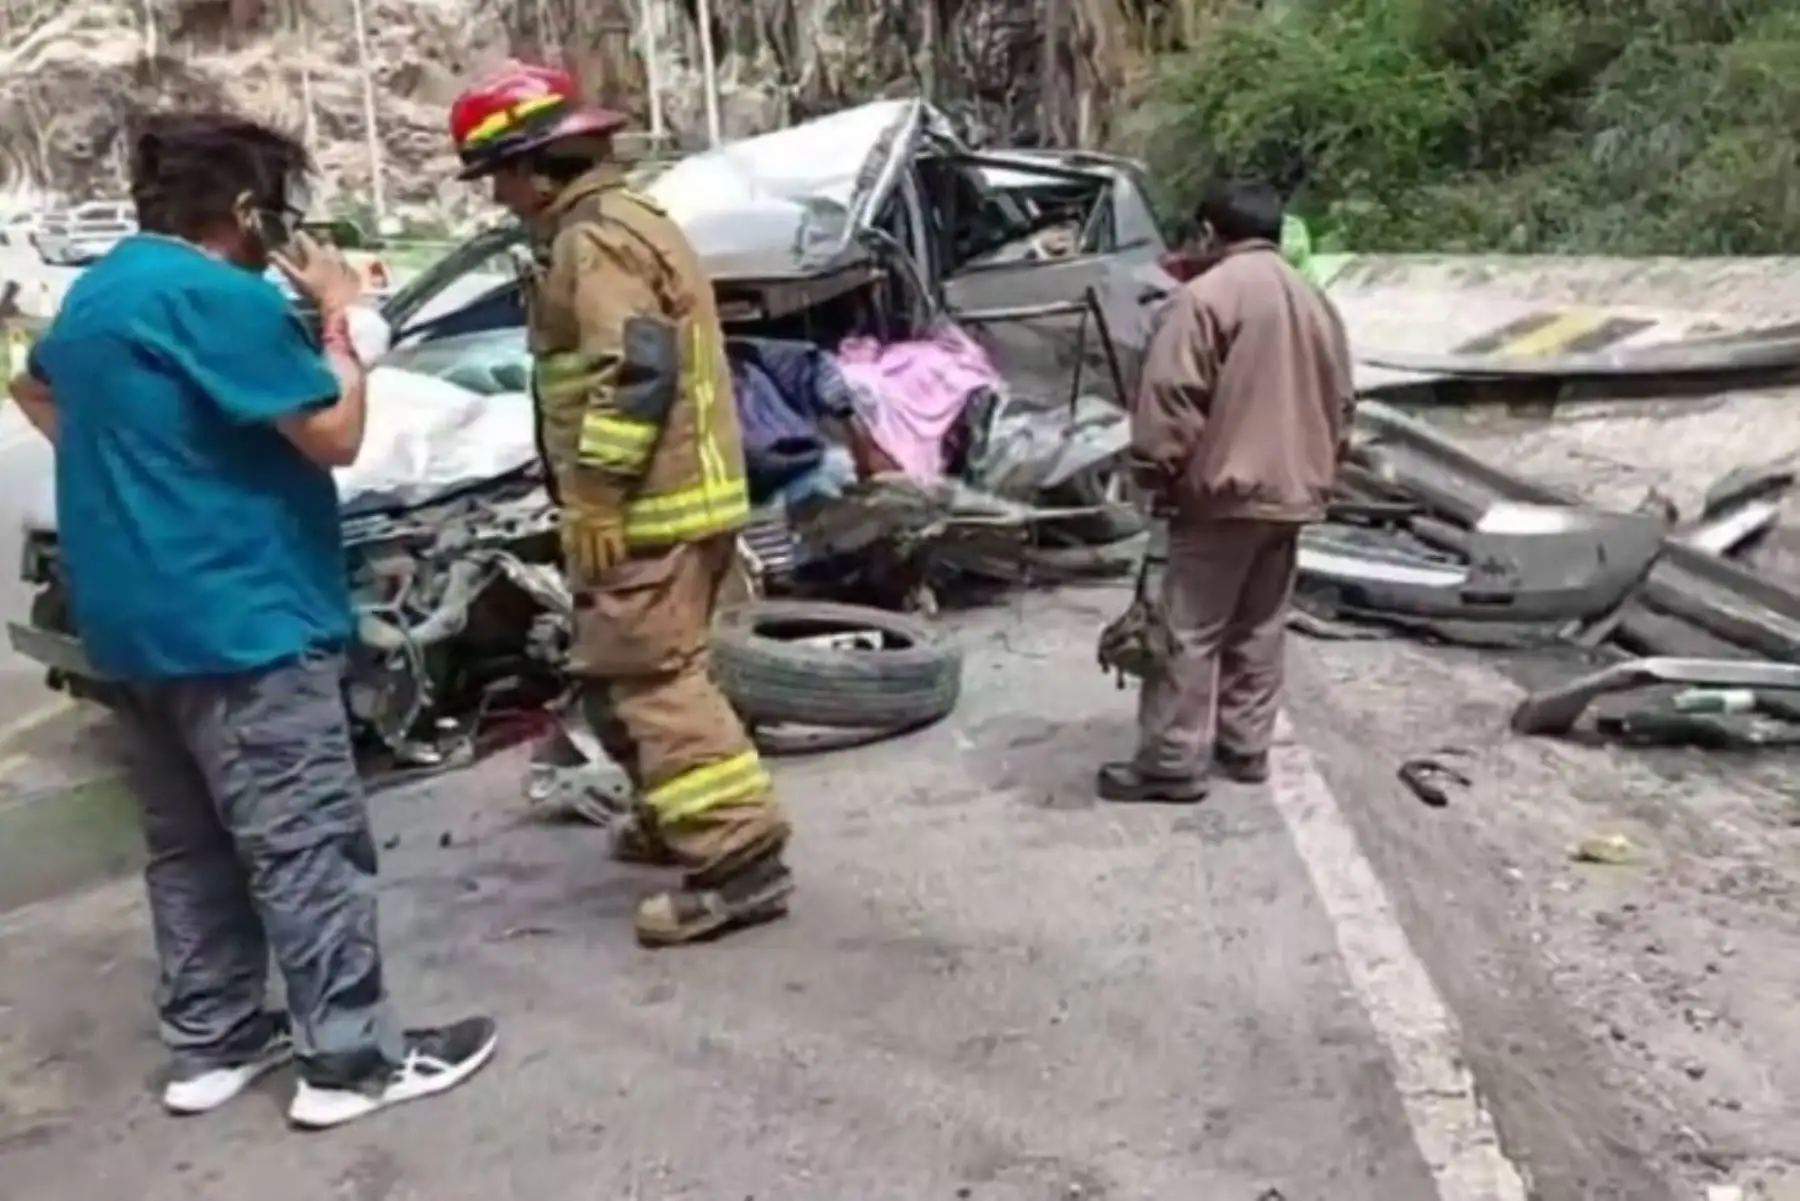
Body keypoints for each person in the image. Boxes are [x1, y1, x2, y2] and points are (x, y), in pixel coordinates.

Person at [8, 112, 496, 1129]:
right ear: (246, 210)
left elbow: (33, 390)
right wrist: (341, 315)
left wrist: (149, 473)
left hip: (130, 624)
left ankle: (214, 1040)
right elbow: (335, 431)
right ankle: (349, 1060)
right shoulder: (219, 297)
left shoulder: (98, 292)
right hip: (243, 617)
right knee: (304, 840)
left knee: (188, 844)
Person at [446, 63, 794, 946]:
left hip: (646, 509)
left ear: (535, 168)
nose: (497, 197)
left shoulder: (592, 242)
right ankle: (672, 813)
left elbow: (634, 369)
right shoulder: (630, 219)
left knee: (654, 681)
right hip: (681, 497)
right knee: (615, 673)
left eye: (497, 176)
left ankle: (738, 861)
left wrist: (597, 497)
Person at [1099, 177, 1355, 804]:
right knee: (1259, 627)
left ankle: (1172, 763)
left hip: (1220, 497)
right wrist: (1321, 471)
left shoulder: (1206, 297)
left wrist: (1155, 472)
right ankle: (1245, 747)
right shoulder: (1317, 304)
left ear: (1211, 233)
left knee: (1188, 630)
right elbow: (1344, 404)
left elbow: (1172, 397)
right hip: (1293, 495)